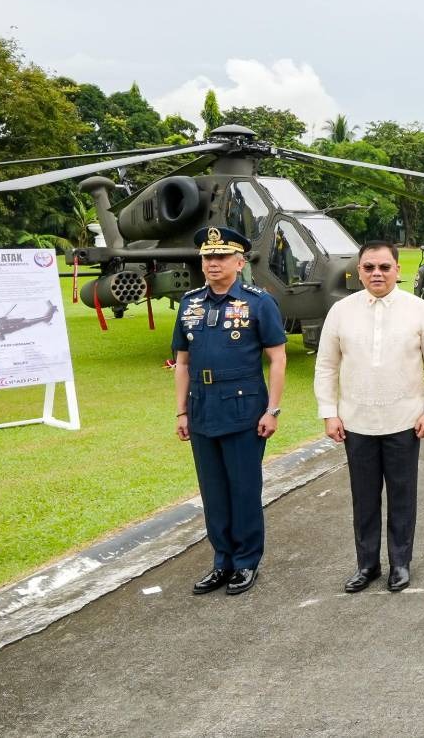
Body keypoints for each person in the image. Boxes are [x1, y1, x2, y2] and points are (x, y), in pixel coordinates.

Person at [314, 241, 424, 594]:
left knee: (402, 496)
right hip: (356, 421)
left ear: (397, 270)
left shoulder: (419, 310)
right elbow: (326, 366)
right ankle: (367, 564)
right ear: (359, 272)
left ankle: (400, 562)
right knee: (364, 498)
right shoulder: (341, 311)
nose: (377, 273)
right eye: (369, 267)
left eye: (384, 267)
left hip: (405, 420)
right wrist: (329, 413)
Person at [172, 226, 287, 597]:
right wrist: (181, 412)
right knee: (213, 492)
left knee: (243, 489)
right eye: (207, 257)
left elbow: (278, 358)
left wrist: (272, 410)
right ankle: (222, 560)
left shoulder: (258, 302)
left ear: (240, 262)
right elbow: (182, 362)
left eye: (221, 256)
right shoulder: (190, 304)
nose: (213, 263)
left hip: (243, 409)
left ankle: (246, 561)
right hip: (202, 409)